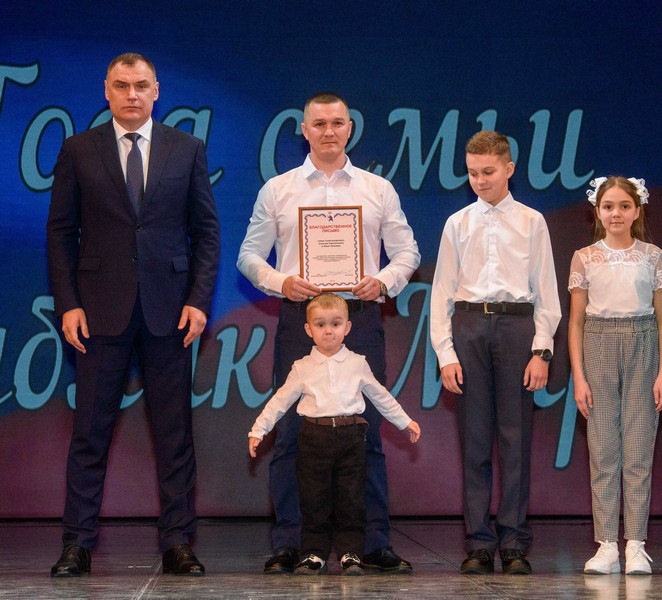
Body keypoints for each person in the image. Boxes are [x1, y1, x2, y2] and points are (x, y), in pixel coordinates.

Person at [46, 53, 220, 577]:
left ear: (156, 90)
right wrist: (69, 303)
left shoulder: (186, 149)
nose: (132, 94)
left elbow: (206, 232)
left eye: (141, 85)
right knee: (89, 433)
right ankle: (77, 544)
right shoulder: (78, 150)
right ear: (106, 90)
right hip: (99, 312)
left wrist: (198, 300)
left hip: (171, 311)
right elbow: (61, 234)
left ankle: (177, 543)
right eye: (121, 85)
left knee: (174, 434)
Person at [237, 92, 420, 574]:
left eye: (337, 122)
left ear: (350, 128)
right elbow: (249, 256)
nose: (329, 131)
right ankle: (291, 543)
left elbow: (407, 253)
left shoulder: (377, 189)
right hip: (302, 319)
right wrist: (282, 282)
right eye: (319, 124)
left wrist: (383, 281)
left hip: (360, 318)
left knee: (368, 431)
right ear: (304, 130)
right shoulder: (278, 190)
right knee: (291, 433)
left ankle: (372, 543)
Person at [430, 130, 562, 576]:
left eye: (488, 172)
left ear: (509, 168)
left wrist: (541, 350)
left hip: (516, 327)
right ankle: (479, 543)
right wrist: (446, 353)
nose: (480, 180)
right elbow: (442, 293)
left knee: (515, 438)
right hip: (469, 327)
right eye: (472, 173)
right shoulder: (458, 223)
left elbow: (546, 291)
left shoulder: (532, 221)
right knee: (474, 441)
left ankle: (514, 541)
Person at [248, 294, 421, 576]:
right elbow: (280, 401)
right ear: (308, 330)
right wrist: (258, 429)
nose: (328, 331)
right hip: (313, 438)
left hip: (351, 437)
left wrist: (405, 421)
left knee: (351, 498)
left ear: (347, 327)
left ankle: (351, 554)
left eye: (335, 324)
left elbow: (380, 396)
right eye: (320, 324)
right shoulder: (302, 367)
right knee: (313, 498)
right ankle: (313, 553)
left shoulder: (358, 363)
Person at [568, 176, 662, 576]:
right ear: (597, 211)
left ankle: (636, 545)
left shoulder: (653, 257)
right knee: (603, 449)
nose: (616, 213)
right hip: (598, 344)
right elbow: (576, 322)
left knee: (639, 448)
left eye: (624, 206)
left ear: (637, 210)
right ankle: (607, 544)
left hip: (643, 342)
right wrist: (579, 377)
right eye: (608, 206)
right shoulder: (584, 257)